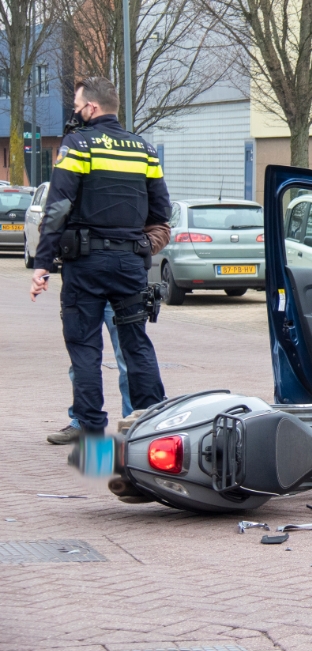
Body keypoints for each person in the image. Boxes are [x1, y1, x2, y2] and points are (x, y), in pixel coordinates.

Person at [29, 76, 171, 436]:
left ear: (91, 108)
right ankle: (149, 426)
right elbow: (161, 211)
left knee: (85, 347)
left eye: (77, 107)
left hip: (86, 263)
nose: (75, 114)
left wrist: (42, 263)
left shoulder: (78, 146)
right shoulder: (145, 150)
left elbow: (58, 208)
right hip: (130, 265)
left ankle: (90, 427)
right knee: (136, 343)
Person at [47, 302, 132, 445]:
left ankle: (132, 424)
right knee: (81, 359)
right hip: (84, 290)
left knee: (128, 359)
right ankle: (82, 422)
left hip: (118, 288)